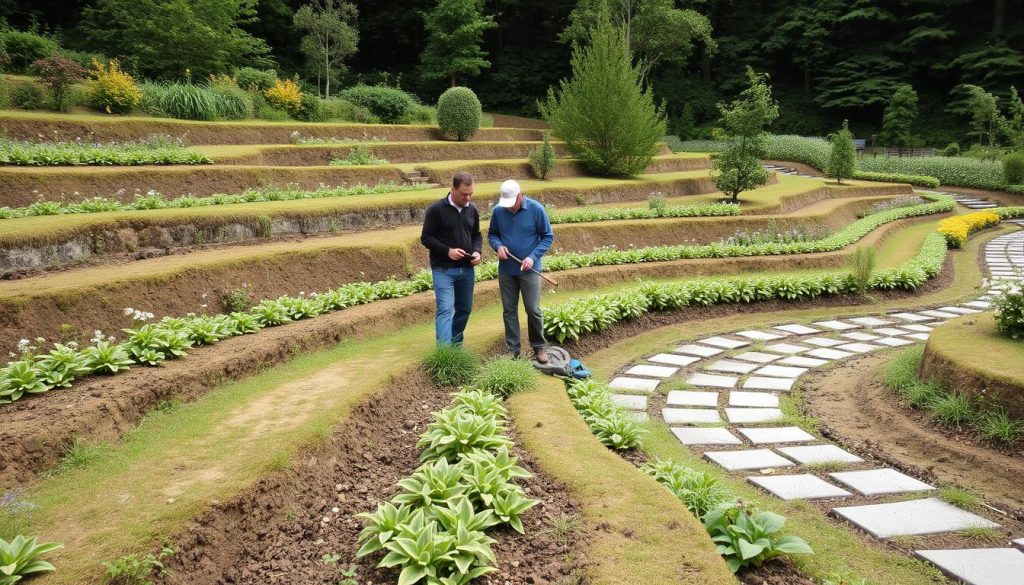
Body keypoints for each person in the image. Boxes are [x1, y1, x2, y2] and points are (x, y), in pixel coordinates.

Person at [488, 179, 554, 363]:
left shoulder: (536, 209)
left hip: (530, 269)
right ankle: (513, 349)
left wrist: (532, 257)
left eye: (512, 203)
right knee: (509, 310)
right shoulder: (498, 211)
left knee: (533, 309)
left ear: (520, 195)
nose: (508, 208)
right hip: (507, 269)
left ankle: (539, 346)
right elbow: (493, 234)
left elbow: (547, 237)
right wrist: (498, 246)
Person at [420, 172, 482, 345]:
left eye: (470, 194)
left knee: (464, 310)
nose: (467, 197)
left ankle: (455, 346)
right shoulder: (436, 210)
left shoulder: (472, 209)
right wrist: (448, 251)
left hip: (467, 270)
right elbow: (426, 238)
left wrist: (477, 252)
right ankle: (445, 352)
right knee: (445, 309)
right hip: (443, 270)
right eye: (463, 194)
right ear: (453, 189)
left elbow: (476, 235)